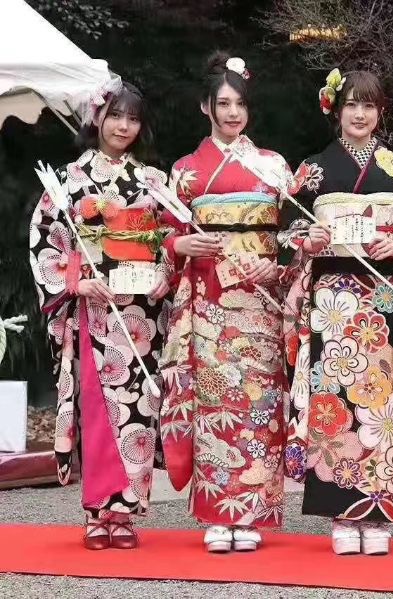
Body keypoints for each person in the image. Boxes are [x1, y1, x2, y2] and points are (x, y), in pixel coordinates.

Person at [280, 69, 393, 556]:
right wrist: (308, 239)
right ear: (336, 110)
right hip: (332, 301)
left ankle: (379, 510)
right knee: (335, 401)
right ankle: (340, 513)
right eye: (351, 105)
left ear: (380, 112)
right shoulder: (313, 170)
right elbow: (286, 229)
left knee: (382, 403)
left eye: (369, 105)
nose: (360, 115)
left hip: (383, 299)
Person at [158, 52, 293, 553]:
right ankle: (217, 513)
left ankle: (253, 510)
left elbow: (295, 232)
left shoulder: (274, 167)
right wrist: (182, 244)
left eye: (240, 104)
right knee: (214, 403)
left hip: (259, 301)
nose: (233, 113)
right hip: (207, 301)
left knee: (258, 403)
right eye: (224, 104)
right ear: (206, 107)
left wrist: (277, 265)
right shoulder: (185, 172)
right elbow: (162, 235)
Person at [29, 80, 170, 550]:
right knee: (96, 407)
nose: (124, 126)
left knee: (138, 407)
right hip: (94, 312)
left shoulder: (153, 181)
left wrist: (164, 273)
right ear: (97, 119)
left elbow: (171, 239)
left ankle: (125, 514)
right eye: (115, 116)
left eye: (133, 118)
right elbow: (47, 241)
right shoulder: (67, 181)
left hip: (141, 315)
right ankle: (96, 511)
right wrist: (75, 282)